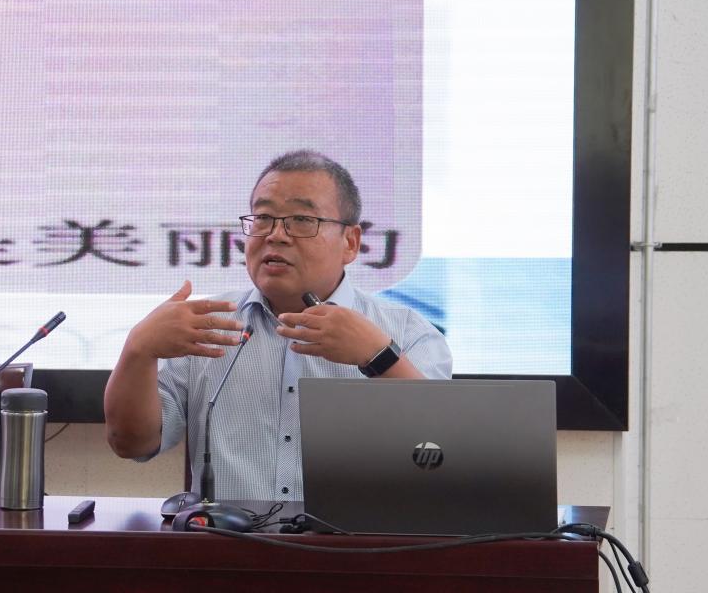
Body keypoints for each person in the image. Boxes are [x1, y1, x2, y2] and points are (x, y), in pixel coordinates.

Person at [104, 150, 452, 501]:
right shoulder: (205, 328)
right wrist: (138, 350)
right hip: (227, 535)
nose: (276, 235)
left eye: (301, 220)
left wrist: (380, 357)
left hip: (358, 536)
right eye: (264, 218)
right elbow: (132, 443)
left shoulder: (407, 332)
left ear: (350, 242)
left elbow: (442, 453)